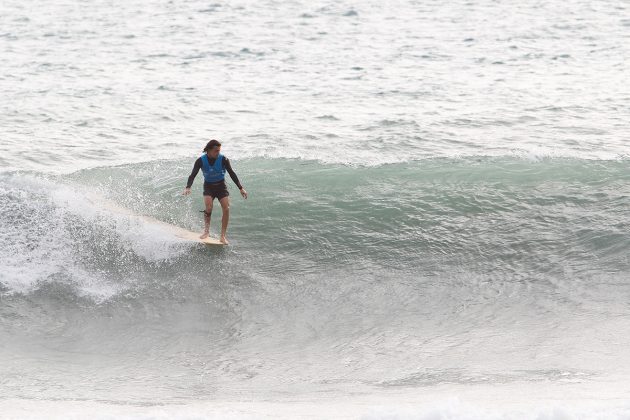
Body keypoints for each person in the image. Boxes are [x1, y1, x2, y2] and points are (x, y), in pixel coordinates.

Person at [182, 139, 247, 244]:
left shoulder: (223, 159)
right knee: (208, 207)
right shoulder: (200, 161)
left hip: (221, 186)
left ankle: (222, 236)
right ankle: (206, 231)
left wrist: (241, 188)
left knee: (226, 208)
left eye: (219, 150)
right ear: (209, 150)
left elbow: (232, 173)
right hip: (208, 186)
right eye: (216, 151)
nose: (218, 153)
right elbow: (192, 175)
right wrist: (188, 187)